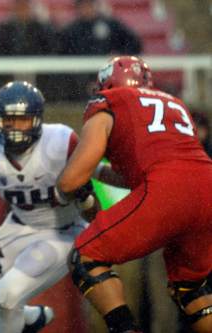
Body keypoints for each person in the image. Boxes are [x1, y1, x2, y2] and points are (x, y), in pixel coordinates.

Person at [53, 56, 212, 332]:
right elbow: (156, 168)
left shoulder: (110, 102)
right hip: (205, 184)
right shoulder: (175, 104)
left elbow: (69, 182)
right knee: (191, 289)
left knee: (86, 256)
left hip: (168, 189)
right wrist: (98, 172)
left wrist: (64, 189)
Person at [0, 81, 98, 333]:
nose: (14, 129)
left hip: (62, 231)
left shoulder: (61, 141)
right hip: (18, 225)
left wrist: (86, 197)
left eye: (22, 120)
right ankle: (31, 317)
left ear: (37, 120)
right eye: (8, 121)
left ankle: (21, 316)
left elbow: (94, 212)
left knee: (6, 295)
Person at [59, 0, 142, 100]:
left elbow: (134, 43)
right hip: (79, 83)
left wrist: (120, 56)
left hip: (110, 79)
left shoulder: (110, 25)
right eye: (83, 6)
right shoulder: (71, 31)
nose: (86, 9)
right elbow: (64, 57)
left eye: (89, 5)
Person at [0, 0, 58, 101]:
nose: (22, 10)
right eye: (19, 6)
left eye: (25, 6)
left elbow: (53, 59)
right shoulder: (1, 32)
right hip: (7, 87)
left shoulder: (43, 31)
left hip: (40, 87)